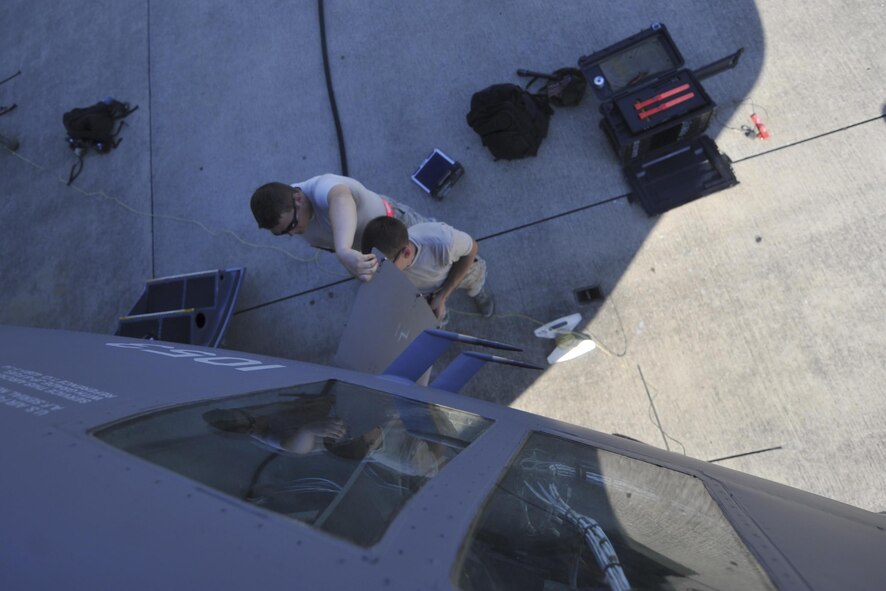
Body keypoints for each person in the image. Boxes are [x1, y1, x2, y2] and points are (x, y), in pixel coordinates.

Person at [250, 174, 429, 281]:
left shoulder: (322, 186)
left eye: (292, 225)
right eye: (282, 233)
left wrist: (343, 250)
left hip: (398, 225)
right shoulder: (292, 213)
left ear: (298, 198)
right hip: (376, 253)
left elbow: (340, 198)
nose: (291, 233)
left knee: (437, 247)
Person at [360, 216, 494, 321]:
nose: (380, 272)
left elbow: (472, 248)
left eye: (384, 267)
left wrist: (443, 296)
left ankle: (477, 292)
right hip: (427, 287)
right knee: (435, 316)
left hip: (458, 269)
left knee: (474, 281)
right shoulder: (392, 258)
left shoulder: (444, 242)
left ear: (406, 253)